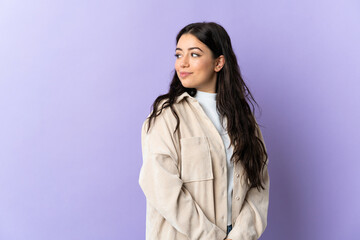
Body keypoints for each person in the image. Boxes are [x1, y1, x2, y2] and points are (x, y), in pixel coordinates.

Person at [138, 21, 270, 240]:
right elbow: (162, 189)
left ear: (218, 63)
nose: (183, 64)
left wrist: (239, 236)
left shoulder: (244, 121)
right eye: (179, 55)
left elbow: (259, 186)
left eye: (195, 55)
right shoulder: (167, 116)